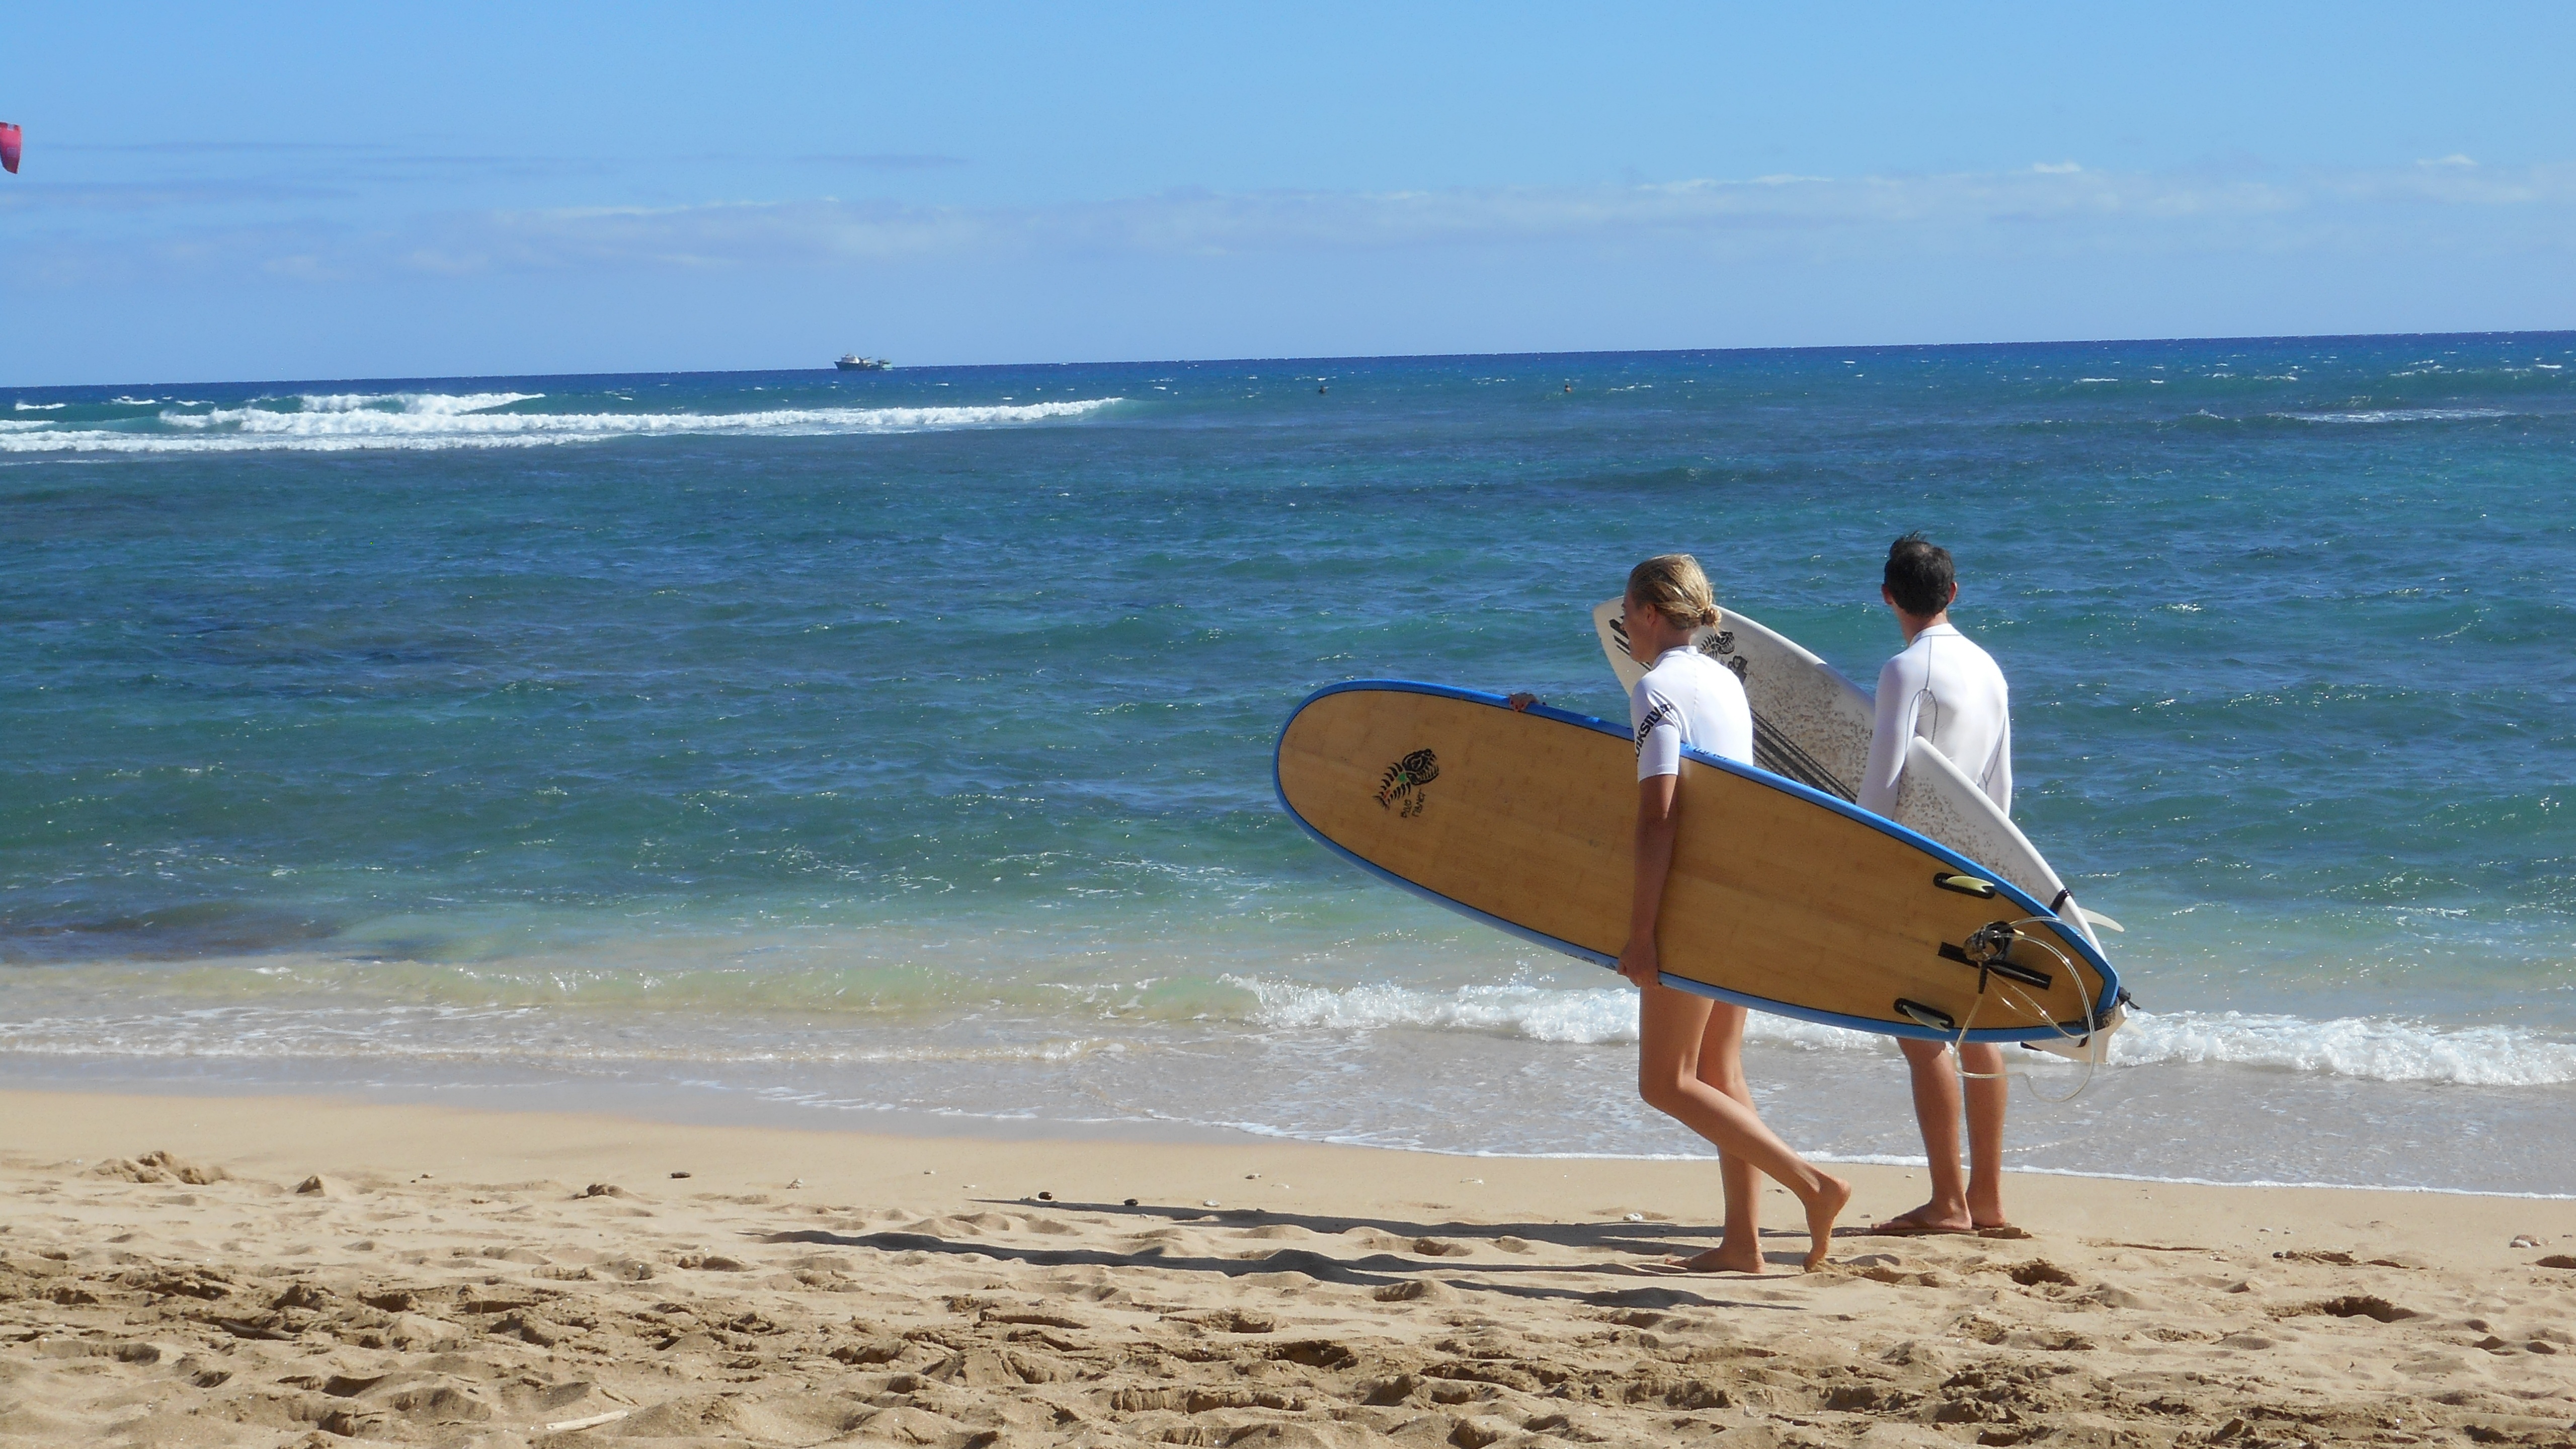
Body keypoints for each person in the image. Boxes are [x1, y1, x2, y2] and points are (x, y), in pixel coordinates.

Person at [1519, 555, 1850, 1271]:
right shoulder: (1723, 681)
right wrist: (1539, 730)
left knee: (1665, 1081)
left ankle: (1814, 1186)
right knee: (1722, 1074)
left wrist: (1641, 934)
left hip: (1691, 905)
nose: (1624, 637)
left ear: (1645, 613)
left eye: (1625, 621)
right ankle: (1743, 1244)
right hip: (1739, 896)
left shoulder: (1656, 688)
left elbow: (1661, 815)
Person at [1856, 533, 2017, 1235]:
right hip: (1980, 871)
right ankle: (1986, 1200)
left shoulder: (1905, 669)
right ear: (1954, 593)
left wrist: (1856, 861)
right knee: (1976, 1033)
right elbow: (1999, 787)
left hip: (1919, 871)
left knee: (1922, 1036)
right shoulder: (1988, 668)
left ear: (1888, 595)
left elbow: (1884, 784)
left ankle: (1948, 1203)